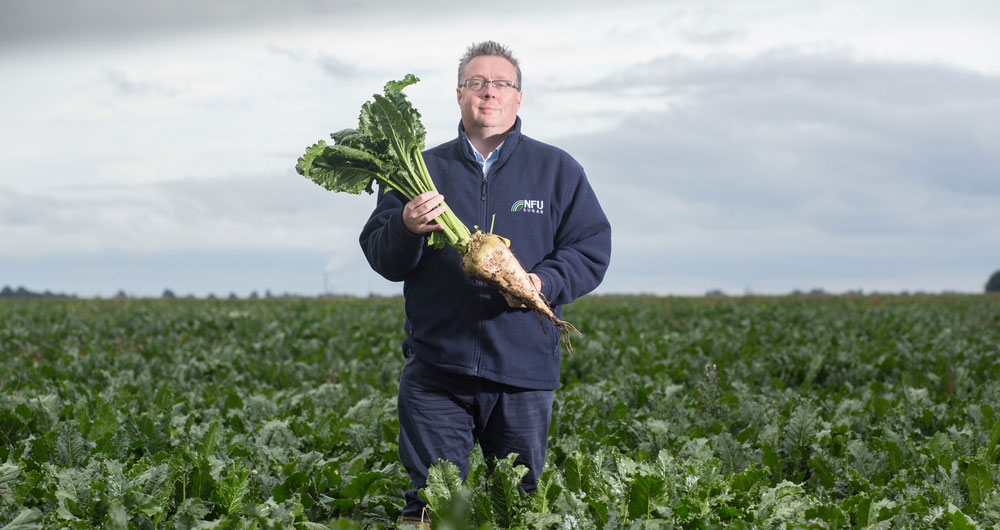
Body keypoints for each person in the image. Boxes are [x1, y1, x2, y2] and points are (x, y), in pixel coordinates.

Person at [359, 40, 612, 526]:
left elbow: (590, 247)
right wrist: (406, 226)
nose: (488, 92)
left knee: (516, 508)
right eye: (476, 83)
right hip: (437, 371)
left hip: (522, 374)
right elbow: (382, 257)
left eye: (500, 83)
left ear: (518, 97)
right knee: (430, 506)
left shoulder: (557, 169)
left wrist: (540, 283)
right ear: (459, 95)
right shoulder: (418, 170)